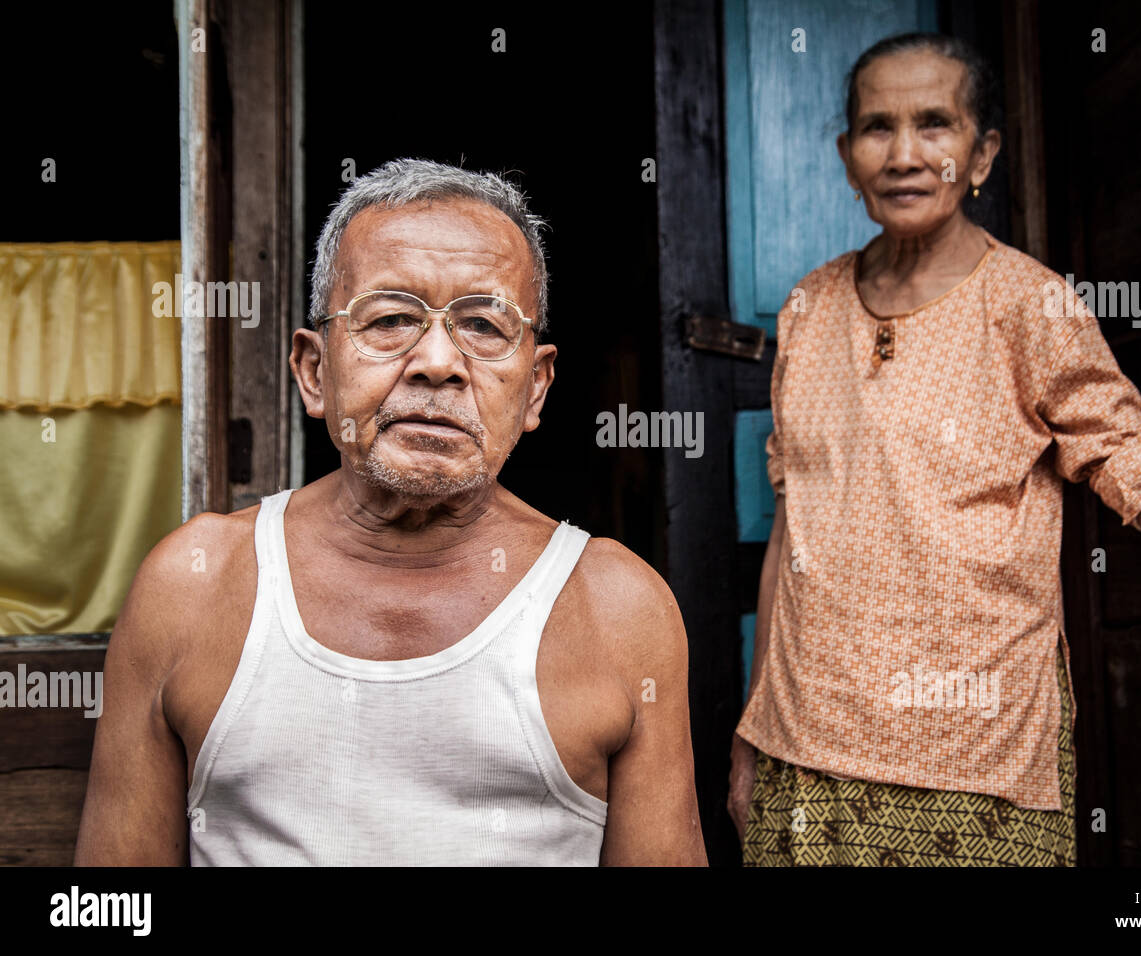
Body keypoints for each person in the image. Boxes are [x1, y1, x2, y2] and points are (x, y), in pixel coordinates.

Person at [728, 33, 1141, 866]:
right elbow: (792, 531)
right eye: (876, 128)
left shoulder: (1033, 305)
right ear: (847, 158)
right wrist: (752, 733)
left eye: (936, 123)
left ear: (983, 152)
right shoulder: (808, 309)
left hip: (972, 746)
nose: (905, 154)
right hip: (804, 741)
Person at [75, 158, 707, 866]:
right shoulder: (190, 585)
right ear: (315, 372)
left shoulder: (619, 608)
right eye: (392, 319)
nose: (438, 361)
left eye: (485, 327)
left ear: (535, 389)